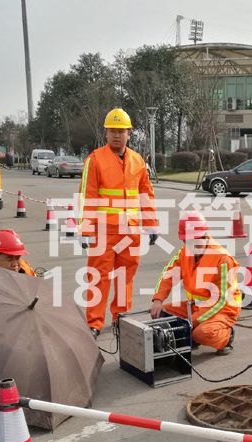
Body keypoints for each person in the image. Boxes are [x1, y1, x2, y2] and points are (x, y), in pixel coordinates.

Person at [79, 108, 158, 339]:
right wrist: (86, 229)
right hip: (103, 230)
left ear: (129, 133)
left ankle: (120, 318)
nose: (116, 135)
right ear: (106, 133)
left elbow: (146, 193)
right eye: (112, 131)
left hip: (130, 231)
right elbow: (87, 195)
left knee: (125, 276)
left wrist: (151, 223)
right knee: (98, 276)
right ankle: (94, 322)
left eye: (121, 131)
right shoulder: (95, 159)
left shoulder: (137, 160)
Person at [150, 211, 240, 355]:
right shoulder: (185, 252)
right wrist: (158, 299)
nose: (191, 246)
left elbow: (222, 300)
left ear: (204, 236)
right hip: (196, 306)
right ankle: (192, 335)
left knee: (202, 333)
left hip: (223, 309)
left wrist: (194, 321)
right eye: (187, 242)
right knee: (162, 312)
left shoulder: (222, 259)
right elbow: (168, 274)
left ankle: (226, 335)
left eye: (195, 241)